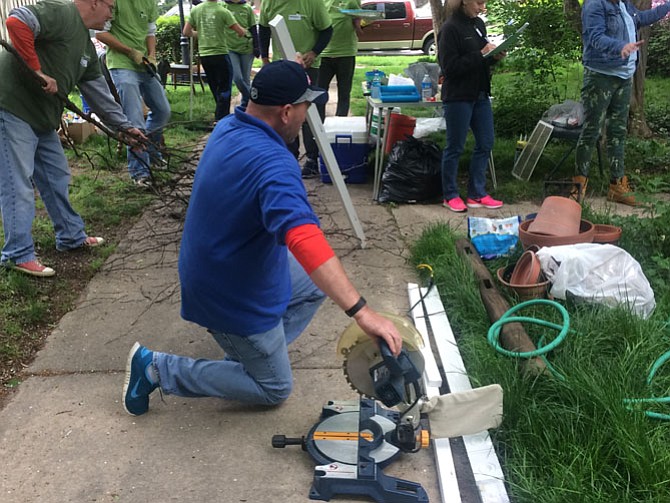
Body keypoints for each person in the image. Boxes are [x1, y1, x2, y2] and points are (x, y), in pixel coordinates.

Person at [122, 60, 403, 416]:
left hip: (222, 265)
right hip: (228, 292)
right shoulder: (273, 163)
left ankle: (247, 356)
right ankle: (156, 368)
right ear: (287, 112)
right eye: (305, 106)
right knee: (274, 387)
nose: (307, 113)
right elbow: (303, 238)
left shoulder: (229, 126)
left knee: (315, 284)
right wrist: (364, 313)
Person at [0, 0, 146, 278]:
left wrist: (125, 128)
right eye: (111, 8)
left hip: (43, 117)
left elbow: (99, 95)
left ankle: (70, 235)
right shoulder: (60, 12)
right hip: (13, 107)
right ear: (94, 3)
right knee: (17, 183)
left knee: (57, 175)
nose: (112, 15)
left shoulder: (87, 48)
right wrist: (36, 71)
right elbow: (16, 22)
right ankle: (17, 254)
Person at [573, 0, 670, 206]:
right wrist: (621, 47)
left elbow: (642, 18)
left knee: (618, 132)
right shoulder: (595, 5)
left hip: (624, 77)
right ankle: (578, 187)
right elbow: (595, 37)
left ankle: (617, 186)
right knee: (591, 131)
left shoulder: (623, 4)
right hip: (600, 77)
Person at [437, 0, 505, 213]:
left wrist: (493, 57)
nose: (481, 7)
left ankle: (477, 193)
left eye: (484, 3)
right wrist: (480, 54)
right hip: (459, 95)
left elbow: (481, 60)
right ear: (464, 1)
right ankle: (450, 194)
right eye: (478, 2)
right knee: (455, 146)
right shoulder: (449, 29)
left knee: (486, 142)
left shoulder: (478, 24)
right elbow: (449, 68)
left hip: (480, 93)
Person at [96, 0, 172, 188]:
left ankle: (152, 154)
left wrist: (152, 54)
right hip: (122, 63)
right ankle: (140, 171)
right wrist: (130, 52)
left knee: (162, 111)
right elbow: (101, 33)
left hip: (144, 63)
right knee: (134, 118)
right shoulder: (114, 2)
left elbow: (150, 32)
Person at [258, 0, 332, 177]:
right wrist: (265, 58)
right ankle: (289, 155)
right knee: (284, 111)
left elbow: (327, 30)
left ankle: (313, 158)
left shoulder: (313, 3)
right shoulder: (269, 2)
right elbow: (264, 29)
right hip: (281, 65)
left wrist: (314, 53)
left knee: (309, 113)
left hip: (307, 66)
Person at [183, 0, 248, 121]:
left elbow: (186, 32)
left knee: (214, 87)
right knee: (225, 87)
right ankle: (221, 118)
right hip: (220, 54)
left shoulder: (196, 10)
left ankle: (220, 115)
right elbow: (239, 31)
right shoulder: (223, 11)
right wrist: (243, 32)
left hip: (205, 56)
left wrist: (201, 34)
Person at [317, 0, 362, 117]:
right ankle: (319, 125)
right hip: (324, 54)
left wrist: (361, 25)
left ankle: (340, 123)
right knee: (319, 92)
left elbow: (359, 25)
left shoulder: (352, 1)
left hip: (346, 53)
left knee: (344, 92)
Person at [224, 0, 259, 109]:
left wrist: (257, 47)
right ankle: (253, 98)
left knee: (246, 79)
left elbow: (253, 28)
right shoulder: (223, 6)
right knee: (237, 78)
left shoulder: (247, 8)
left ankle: (245, 105)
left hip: (246, 48)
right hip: (230, 47)